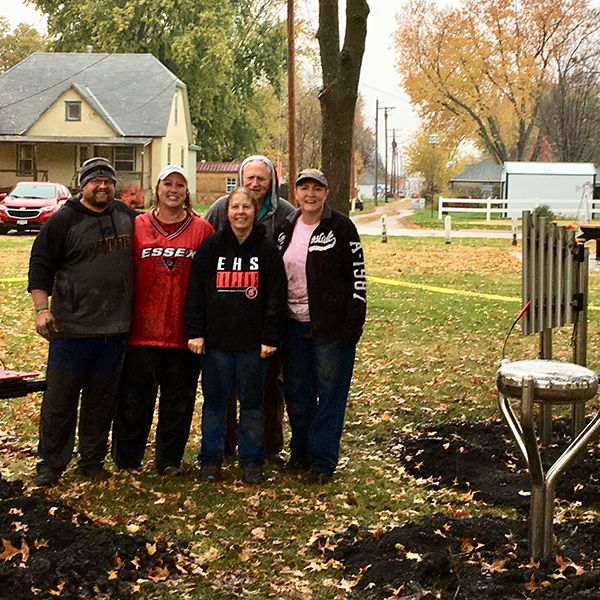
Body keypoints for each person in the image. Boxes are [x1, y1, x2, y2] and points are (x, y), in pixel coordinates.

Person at [28, 157, 136, 487]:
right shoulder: (64, 220)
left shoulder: (127, 217)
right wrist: (41, 310)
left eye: (107, 180)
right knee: (60, 401)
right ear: (82, 184)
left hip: (115, 328)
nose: (102, 185)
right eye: (95, 180)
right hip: (71, 329)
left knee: (101, 401)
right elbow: (40, 264)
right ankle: (51, 462)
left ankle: (91, 459)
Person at [111, 165, 214, 476]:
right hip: (141, 331)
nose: (173, 190)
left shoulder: (202, 230)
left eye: (180, 185)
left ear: (187, 191)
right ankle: (128, 460)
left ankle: (168, 460)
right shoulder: (138, 225)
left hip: (183, 334)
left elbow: (209, 283)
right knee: (134, 401)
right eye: (167, 183)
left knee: (178, 402)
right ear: (156, 188)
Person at [185, 187, 287, 484]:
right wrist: (196, 333)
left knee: (253, 404)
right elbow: (195, 294)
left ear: (255, 212)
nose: (240, 213)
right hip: (215, 345)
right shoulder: (211, 247)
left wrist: (270, 337)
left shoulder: (267, 250)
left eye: (246, 207)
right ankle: (210, 459)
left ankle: (252, 461)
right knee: (215, 404)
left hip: (253, 348)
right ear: (226, 211)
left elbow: (275, 298)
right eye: (235, 207)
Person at [276, 169, 367, 484]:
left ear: (326, 193)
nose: (310, 195)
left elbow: (357, 278)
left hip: (330, 328)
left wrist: (352, 326)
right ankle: (300, 453)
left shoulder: (341, 227)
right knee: (297, 393)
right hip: (293, 327)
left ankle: (323, 461)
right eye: (304, 189)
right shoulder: (286, 227)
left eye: (317, 189)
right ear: (296, 194)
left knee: (329, 395)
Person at [204, 155, 294, 466]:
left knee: (268, 388)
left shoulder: (286, 215)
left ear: (272, 183)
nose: (254, 184)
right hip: (223, 323)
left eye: (262, 178)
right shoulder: (219, 208)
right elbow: (205, 252)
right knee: (222, 394)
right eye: (249, 178)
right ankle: (224, 448)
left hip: (265, 318)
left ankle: (266, 448)